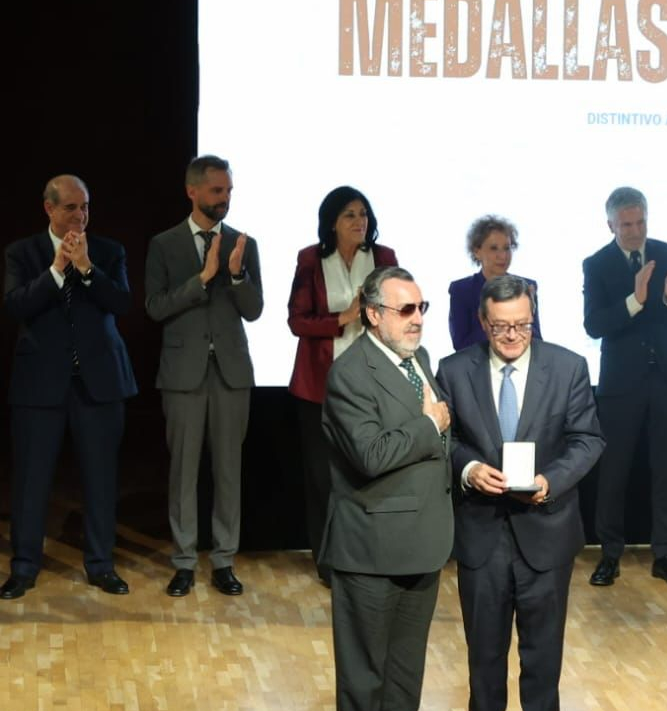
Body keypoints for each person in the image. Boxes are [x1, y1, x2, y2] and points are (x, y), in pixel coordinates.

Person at [436, 275, 604, 711]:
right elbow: (449, 439)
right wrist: (467, 470)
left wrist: (552, 480)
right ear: (484, 323)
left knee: (542, 654)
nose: (513, 335)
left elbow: (587, 439)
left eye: (523, 324)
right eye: (502, 325)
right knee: (484, 655)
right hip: (482, 533)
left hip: (546, 532)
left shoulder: (569, 366)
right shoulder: (454, 369)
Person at [321, 267, 455, 711]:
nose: (418, 319)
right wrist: (430, 426)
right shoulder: (350, 374)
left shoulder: (415, 361)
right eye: (406, 310)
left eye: (422, 308)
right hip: (370, 546)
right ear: (373, 314)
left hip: (421, 539)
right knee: (364, 667)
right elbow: (371, 454)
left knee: (404, 664)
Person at [3, 175, 138, 599]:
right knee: (31, 479)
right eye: (70, 208)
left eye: (85, 207)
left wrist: (86, 269)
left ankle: (100, 565)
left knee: (100, 478)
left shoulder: (109, 252)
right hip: (39, 384)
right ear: (49, 208)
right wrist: (58, 271)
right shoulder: (22, 253)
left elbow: (122, 304)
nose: (80, 216)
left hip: (98, 383)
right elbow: (15, 305)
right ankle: (24, 567)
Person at [145, 155, 262, 598]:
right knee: (183, 471)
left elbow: (254, 310)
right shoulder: (165, 244)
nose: (225, 199)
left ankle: (225, 561)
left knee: (229, 470)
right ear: (192, 191)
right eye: (217, 191)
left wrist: (234, 276)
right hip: (183, 374)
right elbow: (155, 307)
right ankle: (183, 561)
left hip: (231, 374)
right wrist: (203, 278)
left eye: (229, 191)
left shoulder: (243, 244)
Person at [582, 187, 667, 588]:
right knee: (613, 470)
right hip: (621, 382)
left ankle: (665, 553)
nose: (635, 231)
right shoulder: (596, 264)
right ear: (610, 223)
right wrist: (635, 299)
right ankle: (609, 554)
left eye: (640, 222)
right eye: (626, 224)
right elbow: (594, 325)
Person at [287, 186, 397, 583]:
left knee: (368, 473)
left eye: (363, 214)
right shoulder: (311, 260)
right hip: (319, 386)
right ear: (332, 222)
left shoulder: (383, 259)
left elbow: (400, 311)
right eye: (350, 215)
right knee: (322, 479)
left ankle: (367, 557)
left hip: (372, 384)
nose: (359, 222)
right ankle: (328, 562)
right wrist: (343, 317)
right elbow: (297, 321)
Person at [448, 215, 540, 349]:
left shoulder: (527, 286)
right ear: (477, 252)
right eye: (494, 248)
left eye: (507, 248)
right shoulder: (462, 290)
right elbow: (460, 344)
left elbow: (537, 340)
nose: (502, 256)